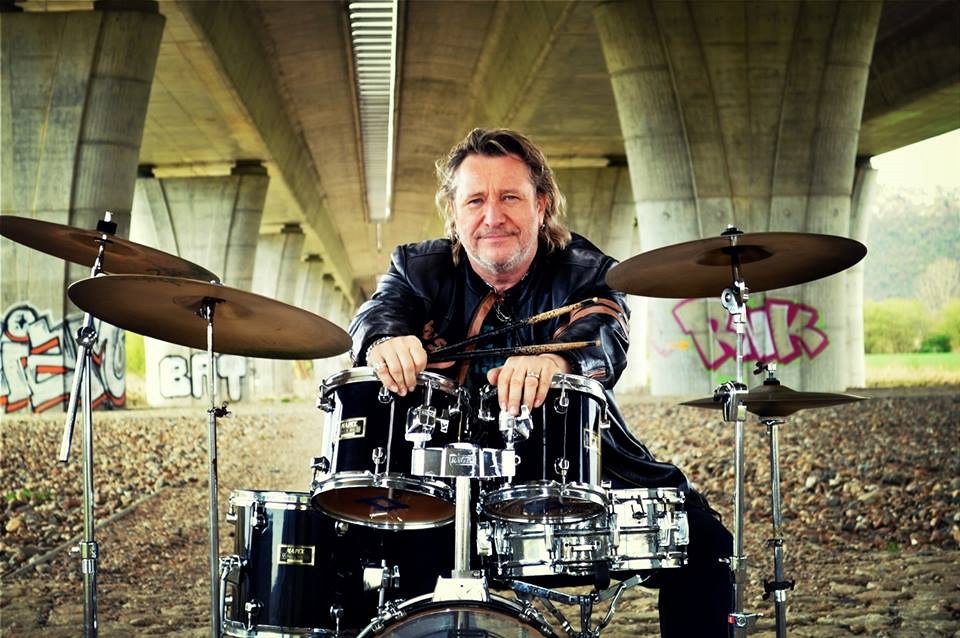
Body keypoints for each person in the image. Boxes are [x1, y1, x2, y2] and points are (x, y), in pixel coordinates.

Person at [349, 128, 733, 636]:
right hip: (441, 481)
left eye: (510, 197)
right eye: (476, 200)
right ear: (454, 212)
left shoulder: (587, 270)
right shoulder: (417, 267)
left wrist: (557, 360)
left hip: (570, 470)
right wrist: (383, 341)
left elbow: (605, 331)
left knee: (703, 542)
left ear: (541, 205)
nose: (492, 216)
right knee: (356, 548)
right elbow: (376, 313)